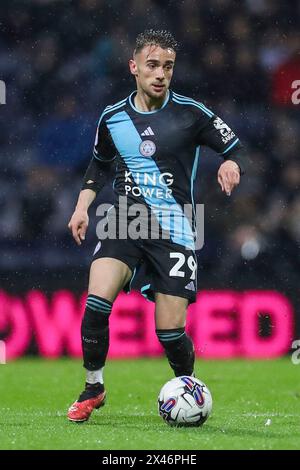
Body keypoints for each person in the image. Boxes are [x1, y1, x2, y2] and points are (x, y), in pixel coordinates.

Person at [67, 30, 245, 422]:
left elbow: (234, 148)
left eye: (167, 66)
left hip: (177, 228)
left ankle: (189, 389)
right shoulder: (112, 118)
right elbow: (99, 165)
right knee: (96, 305)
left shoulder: (191, 112)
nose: (160, 74)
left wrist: (231, 163)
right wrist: (82, 207)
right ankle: (93, 387)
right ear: (134, 67)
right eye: (152, 65)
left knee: (169, 332)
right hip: (123, 221)